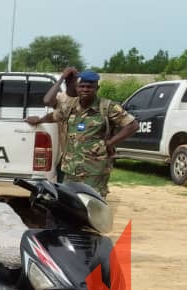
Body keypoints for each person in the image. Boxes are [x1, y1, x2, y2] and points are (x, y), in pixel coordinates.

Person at [26, 70, 139, 198]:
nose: (85, 89)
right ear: (77, 88)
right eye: (82, 86)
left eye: (89, 87)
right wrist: (39, 120)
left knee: (92, 202)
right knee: (71, 202)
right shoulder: (70, 106)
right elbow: (54, 116)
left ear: (97, 88)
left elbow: (132, 125)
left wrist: (110, 143)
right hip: (70, 169)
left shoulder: (107, 107)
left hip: (95, 169)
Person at [42, 66, 80, 182]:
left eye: (74, 79)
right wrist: (61, 78)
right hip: (66, 156)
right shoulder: (61, 98)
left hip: (85, 156)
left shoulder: (84, 98)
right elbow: (47, 101)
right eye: (69, 80)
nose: (71, 82)